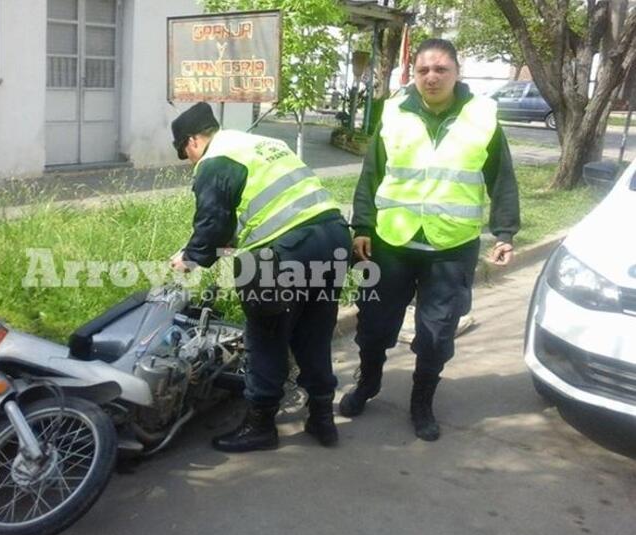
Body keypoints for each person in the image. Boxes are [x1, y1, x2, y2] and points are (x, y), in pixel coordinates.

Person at [341, 38, 520, 441]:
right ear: (414, 75)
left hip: (451, 247)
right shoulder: (395, 113)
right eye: (423, 70)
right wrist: (363, 227)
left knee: (437, 333)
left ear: (457, 72)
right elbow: (372, 174)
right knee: (373, 324)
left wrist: (505, 231)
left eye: (441, 69)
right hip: (392, 242)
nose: (431, 77)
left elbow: (502, 179)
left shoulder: (481, 118)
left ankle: (421, 402)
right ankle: (367, 384)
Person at [169, 102, 351, 452]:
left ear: (192, 141)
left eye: (186, 153)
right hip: (332, 237)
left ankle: (261, 426)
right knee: (313, 332)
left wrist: (191, 258)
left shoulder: (214, 160)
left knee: (266, 336)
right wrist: (217, 246)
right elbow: (268, 209)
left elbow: (212, 222)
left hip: (286, 252)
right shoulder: (262, 144)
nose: (190, 161)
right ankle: (323, 420)